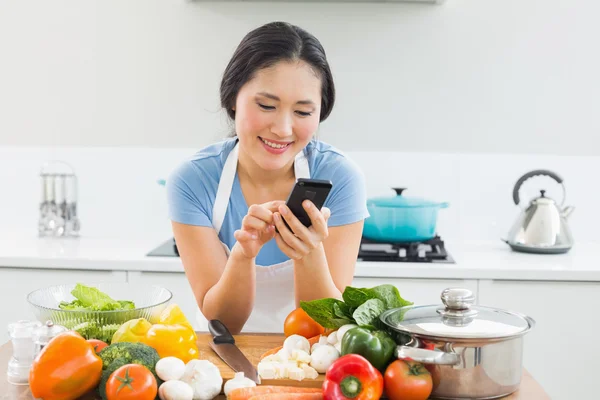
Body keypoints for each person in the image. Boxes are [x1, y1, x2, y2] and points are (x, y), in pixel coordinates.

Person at [166, 21, 369, 334]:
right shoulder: (193, 180)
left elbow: (327, 327)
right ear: (233, 98)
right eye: (266, 105)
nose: (283, 129)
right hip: (223, 357)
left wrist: (309, 253)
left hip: (310, 361)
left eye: (302, 112)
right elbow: (223, 322)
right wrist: (243, 255)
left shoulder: (340, 177)